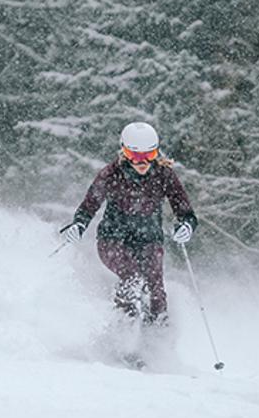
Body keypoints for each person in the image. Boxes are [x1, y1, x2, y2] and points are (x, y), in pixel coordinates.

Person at [59, 121, 198, 326]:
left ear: (156, 153)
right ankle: (124, 334)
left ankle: (157, 340)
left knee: (155, 288)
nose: (142, 163)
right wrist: (78, 225)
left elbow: (185, 211)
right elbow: (89, 205)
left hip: (149, 241)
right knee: (132, 277)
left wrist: (186, 226)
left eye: (148, 156)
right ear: (124, 152)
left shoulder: (163, 174)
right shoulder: (111, 174)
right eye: (136, 156)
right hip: (113, 240)